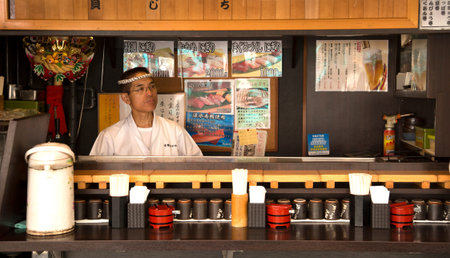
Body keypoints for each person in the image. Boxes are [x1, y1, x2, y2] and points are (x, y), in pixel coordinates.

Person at [90, 67, 203, 156]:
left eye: (152, 87)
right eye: (140, 89)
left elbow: (197, 165)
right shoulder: (110, 136)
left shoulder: (174, 130)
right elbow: (95, 173)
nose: (149, 93)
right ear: (126, 98)